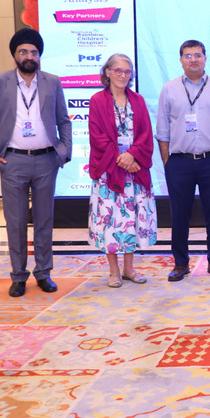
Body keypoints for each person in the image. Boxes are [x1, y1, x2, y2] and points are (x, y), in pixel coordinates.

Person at [0, 28, 72, 297]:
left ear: (39, 56)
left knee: (44, 221)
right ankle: (18, 276)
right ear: (15, 55)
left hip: (46, 161)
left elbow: (64, 120)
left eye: (34, 52)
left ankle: (43, 273)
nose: (29, 56)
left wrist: (63, 151)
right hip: (12, 161)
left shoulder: (52, 81)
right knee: (16, 222)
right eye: (23, 52)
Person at [156, 39, 210, 282]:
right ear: (181, 60)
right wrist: (167, 162)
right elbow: (162, 130)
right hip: (179, 162)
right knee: (179, 214)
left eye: (198, 55)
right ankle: (181, 263)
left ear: (205, 58)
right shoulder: (169, 89)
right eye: (188, 56)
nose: (193, 59)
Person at [88, 54, 157, 287]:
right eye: (118, 70)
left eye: (127, 71)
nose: (123, 75)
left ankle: (129, 268)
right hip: (109, 171)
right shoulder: (97, 101)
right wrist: (122, 159)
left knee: (131, 221)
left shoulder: (138, 100)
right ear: (107, 72)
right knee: (110, 221)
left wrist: (133, 155)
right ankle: (113, 271)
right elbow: (97, 137)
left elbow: (146, 134)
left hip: (135, 170)